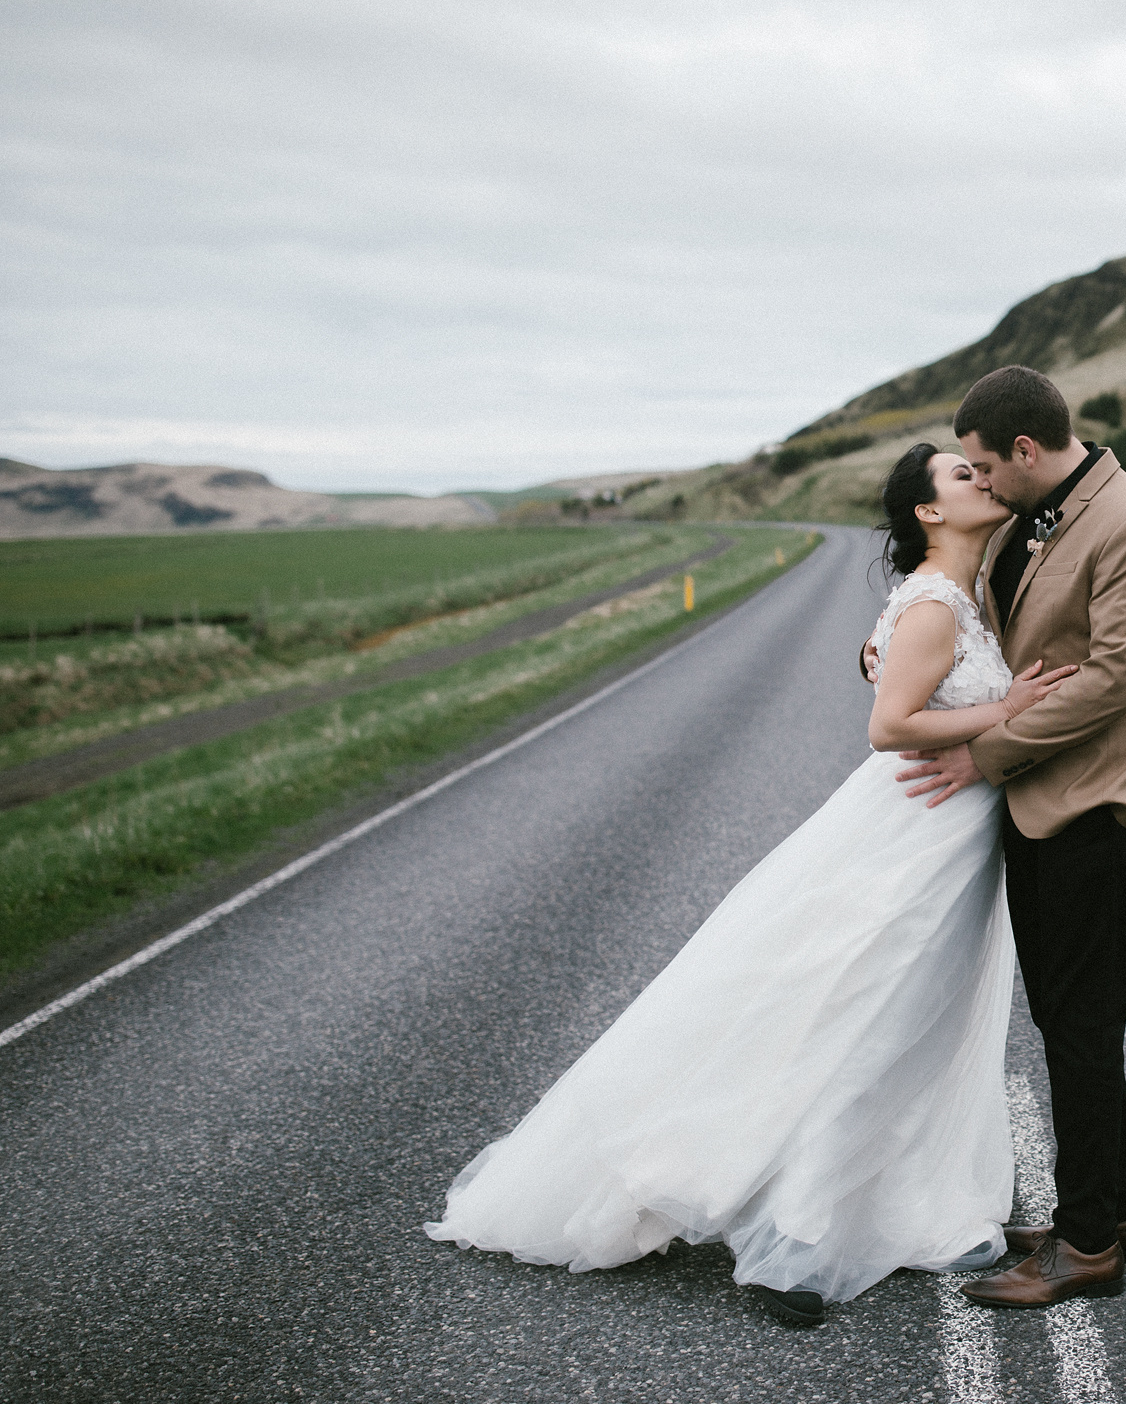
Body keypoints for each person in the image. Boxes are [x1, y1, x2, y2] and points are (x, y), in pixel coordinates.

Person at [425, 444, 1075, 1329]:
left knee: (917, 1028)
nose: (982, 478)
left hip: (950, 842)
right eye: (962, 475)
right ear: (928, 512)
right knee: (864, 1024)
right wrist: (1005, 711)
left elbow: (904, 668)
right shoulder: (933, 603)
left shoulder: (962, 593)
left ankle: (893, 1200)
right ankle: (795, 1239)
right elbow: (890, 724)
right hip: (910, 842)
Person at [867, 365, 1126, 1309]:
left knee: (1081, 1025)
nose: (978, 481)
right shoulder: (1023, 514)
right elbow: (965, 623)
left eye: (981, 465)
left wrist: (986, 754)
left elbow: (1112, 681)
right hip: (1037, 801)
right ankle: (1117, 1209)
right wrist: (885, 655)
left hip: (1098, 801)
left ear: (1022, 449)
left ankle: (1087, 1247)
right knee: (1068, 1020)